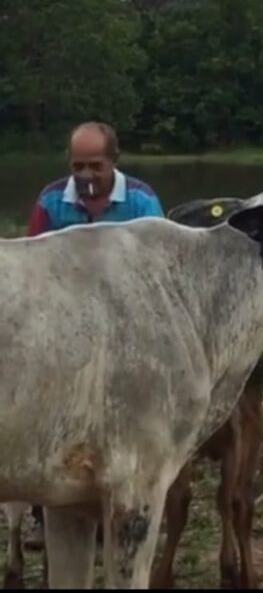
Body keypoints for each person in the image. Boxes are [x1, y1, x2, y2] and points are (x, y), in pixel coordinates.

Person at [24, 120, 165, 550]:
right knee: (48, 423)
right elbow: (31, 265)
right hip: (65, 328)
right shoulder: (52, 201)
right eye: (78, 166)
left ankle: (120, 511)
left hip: (126, 330)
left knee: (124, 425)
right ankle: (40, 516)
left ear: (114, 161)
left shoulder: (141, 202)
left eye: (95, 166)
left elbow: (159, 267)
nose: (86, 176)